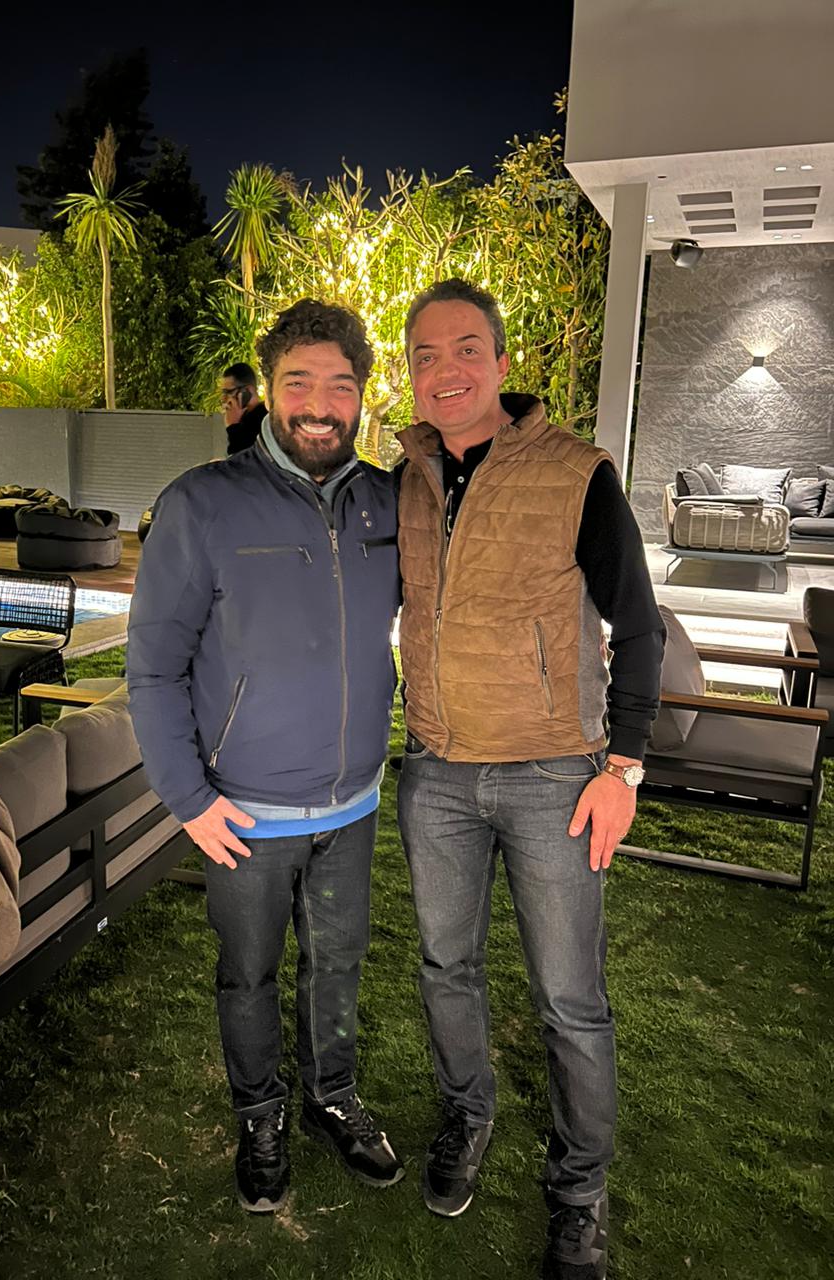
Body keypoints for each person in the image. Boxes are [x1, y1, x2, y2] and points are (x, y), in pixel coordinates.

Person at [395, 279, 665, 1278]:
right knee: (445, 968)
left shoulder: (574, 472)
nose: (446, 370)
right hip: (437, 773)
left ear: (502, 364)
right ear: (410, 374)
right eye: (425, 354)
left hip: (555, 774)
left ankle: (580, 1193)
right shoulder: (407, 477)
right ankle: (468, 1115)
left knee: (570, 998)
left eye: (466, 349)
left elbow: (641, 626)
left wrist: (623, 765)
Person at [127, 300, 404, 1214]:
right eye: (299, 382)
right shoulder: (201, 503)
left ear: (362, 395)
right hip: (242, 811)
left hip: (353, 805)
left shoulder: (386, 502)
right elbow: (153, 668)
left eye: (341, 385)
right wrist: (187, 797)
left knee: (338, 965)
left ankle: (332, 1095)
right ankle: (260, 1116)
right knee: (248, 975)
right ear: (269, 388)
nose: (320, 405)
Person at [219, 362, 267, 455]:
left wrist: (233, 426)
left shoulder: (264, 419)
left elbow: (240, 459)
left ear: (247, 390)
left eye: (229, 392)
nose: (224, 399)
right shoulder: (244, 420)